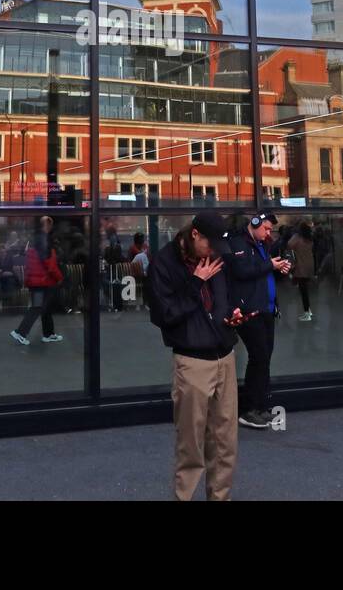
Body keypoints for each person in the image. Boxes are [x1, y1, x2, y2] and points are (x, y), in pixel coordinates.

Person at [146, 212, 247, 501]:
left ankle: (220, 497)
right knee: (191, 446)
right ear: (194, 235)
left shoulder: (216, 257)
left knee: (225, 442)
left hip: (225, 356)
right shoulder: (164, 263)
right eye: (209, 244)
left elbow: (223, 299)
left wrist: (232, 315)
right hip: (191, 362)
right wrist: (194, 283)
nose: (214, 251)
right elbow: (165, 316)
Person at [223, 210, 291, 429]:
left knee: (264, 358)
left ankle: (260, 407)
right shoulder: (238, 244)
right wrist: (270, 265)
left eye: (271, 229)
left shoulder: (263, 246)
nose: (268, 232)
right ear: (254, 223)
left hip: (266, 309)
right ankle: (250, 409)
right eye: (266, 228)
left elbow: (263, 273)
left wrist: (280, 269)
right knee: (259, 356)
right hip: (249, 310)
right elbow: (241, 271)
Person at [11, 216, 64, 345]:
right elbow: (49, 263)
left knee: (45, 308)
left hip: (37, 280)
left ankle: (49, 334)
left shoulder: (34, 239)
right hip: (41, 281)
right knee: (37, 307)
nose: (51, 228)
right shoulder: (44, 240)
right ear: (46, 225)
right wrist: (59, 277)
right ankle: (20, 332)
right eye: (49, 225)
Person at [289, 221, 315, 321]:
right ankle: (309, 311)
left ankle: (307, 314)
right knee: (306, 290)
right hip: (309, 265)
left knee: (303, 291)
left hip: (301, 267)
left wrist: (295, 235)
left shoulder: (297, 238)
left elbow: (289, 244)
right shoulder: (309, 238)